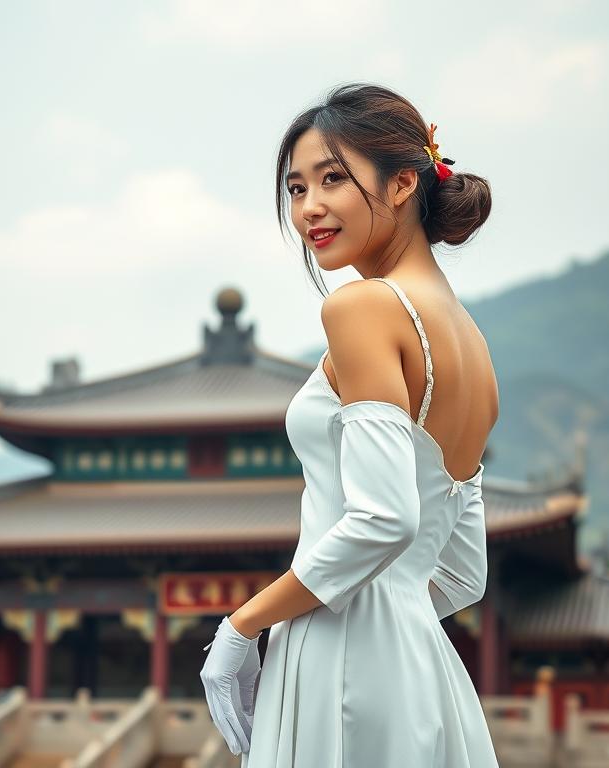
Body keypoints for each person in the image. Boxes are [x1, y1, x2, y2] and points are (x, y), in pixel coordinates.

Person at [200, 82, 500, 767]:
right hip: (422, 665)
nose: (309, 208)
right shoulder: (473, 345)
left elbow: (382, 520)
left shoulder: (361, 307)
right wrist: (391, 612)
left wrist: (242, 628)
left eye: (333, 179)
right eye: (296, 188)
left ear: (401, 183)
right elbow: (461, 574)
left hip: (339, 657)